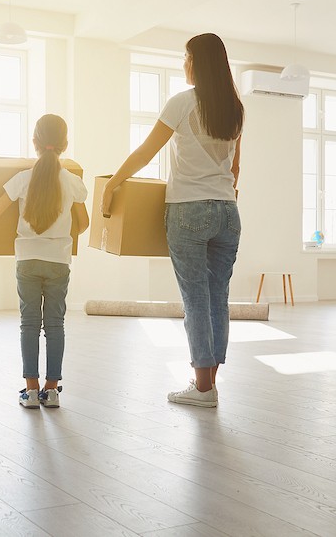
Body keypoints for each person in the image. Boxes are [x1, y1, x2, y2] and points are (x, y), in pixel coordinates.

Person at [101, 33, 243, 408]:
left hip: (189, 210)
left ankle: (201, 389)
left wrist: (112, 184)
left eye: (186, 57)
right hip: (228, 211)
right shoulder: (235, 108)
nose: (184, 63)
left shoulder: (182, 103)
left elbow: (147, 153)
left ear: (197, 61)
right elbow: (235, 168)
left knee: (196, 299)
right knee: (218, 299)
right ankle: (207, 385)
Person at [0, 115, 90, 409]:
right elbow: (84, 224)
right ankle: (51, 390)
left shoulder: (21, 179)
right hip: (58, 261)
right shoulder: (73, 182)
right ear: (65, 145)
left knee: (29, 324)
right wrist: (60, 233)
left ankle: (30, 390)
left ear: (34, 143)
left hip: (26, 259)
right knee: (55, 324)